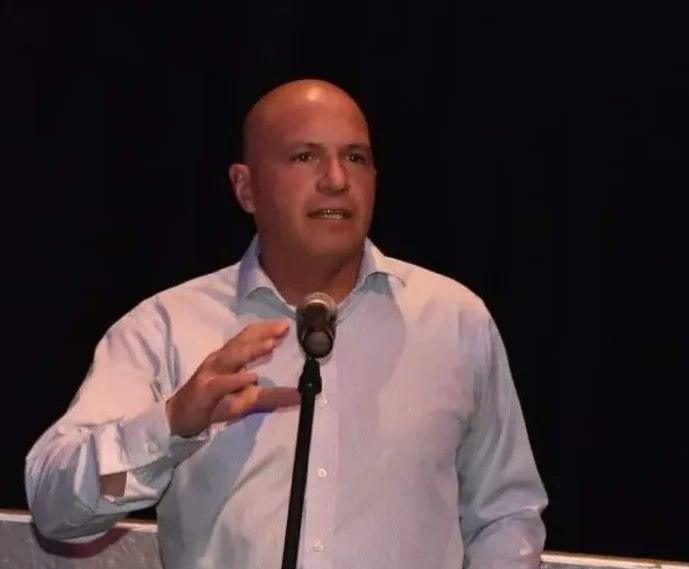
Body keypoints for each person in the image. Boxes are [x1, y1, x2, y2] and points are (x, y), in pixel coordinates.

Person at [25, 79, 548, 568]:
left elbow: (506, 513)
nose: (336, 180)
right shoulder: (167, 328)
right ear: (245, 188)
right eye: (304, 156)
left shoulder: (452, 321)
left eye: (356, 157)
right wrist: (170, 426)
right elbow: (56, 509)